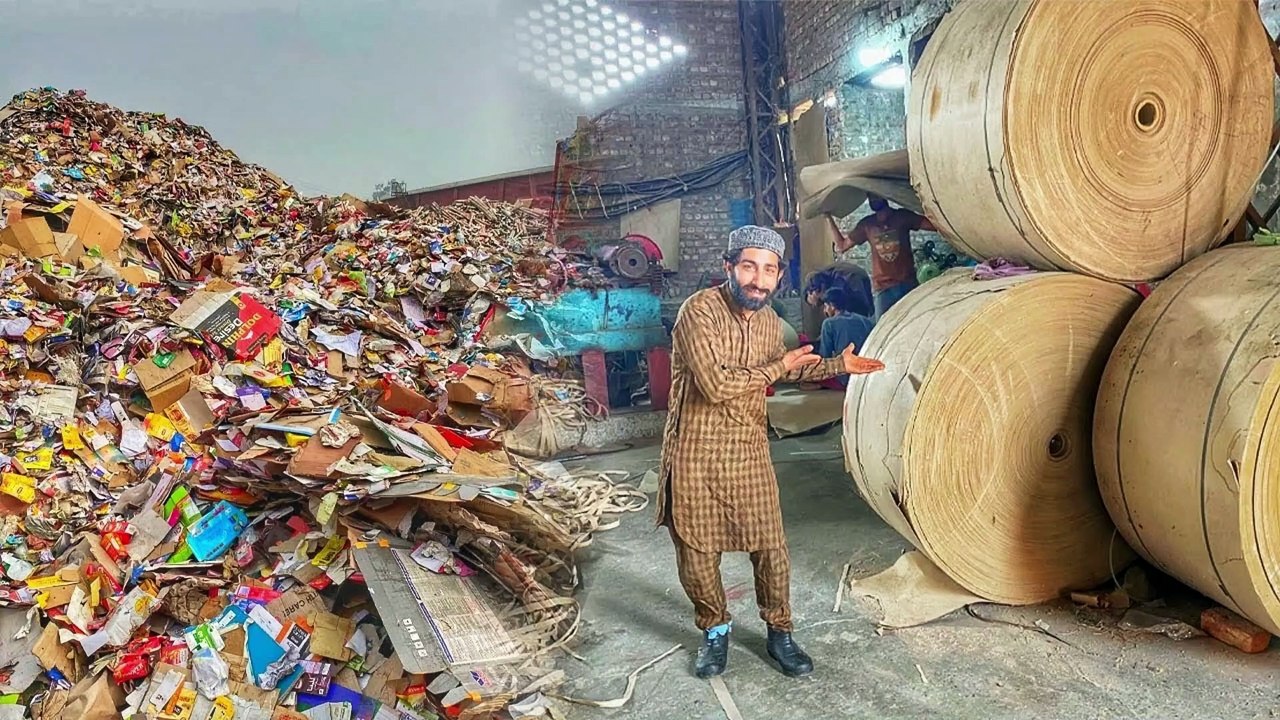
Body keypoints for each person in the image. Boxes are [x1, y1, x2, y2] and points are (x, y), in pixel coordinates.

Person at [657, 225, 885, 679]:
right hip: (694, 450)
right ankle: (715, 630)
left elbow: (789, 368)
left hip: (747, 447)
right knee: (697, 551)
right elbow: (718, 385)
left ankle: (779, 631)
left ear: (779, 275)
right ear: (729, 268)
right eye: (748, 267)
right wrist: (781, 365)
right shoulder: (697, 313)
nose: (758, 280)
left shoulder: (767, 321)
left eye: (768, 270)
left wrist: (839, 364)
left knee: (770, 547)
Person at [828, 194, 934, 319]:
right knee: (881, 332)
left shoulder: (902, 217)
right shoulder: (867, 225)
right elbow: (842, 246)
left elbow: (934, 225)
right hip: (883, 289)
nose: (873, 199)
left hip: (907, 284)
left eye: (876, 196)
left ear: (884, 195)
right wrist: (828, 217)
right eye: (870, 197)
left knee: (915, 323)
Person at [817, 287, 876, 390]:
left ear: (832, 306)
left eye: (826, 306)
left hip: (846, 377)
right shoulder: (864, 320)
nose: (825, 310)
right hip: (868, 373)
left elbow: (824, 356)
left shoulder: (829, 323)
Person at [802, 263, 874, 319]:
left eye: (816, 304)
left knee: (855, 310)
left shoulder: (816, 282)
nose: (815, 305)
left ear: (810, 293)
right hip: (858, 274)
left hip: (849, 278)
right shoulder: (825, 276)